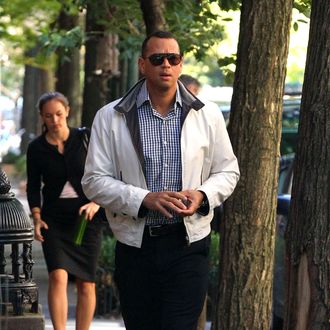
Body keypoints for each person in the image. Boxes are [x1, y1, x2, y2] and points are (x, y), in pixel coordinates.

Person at [82, 31, 240, 330]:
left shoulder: (208, 115)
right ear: (143, 65)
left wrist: (203, 195)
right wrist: (143, 199)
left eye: (173, 58)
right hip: (135, 247)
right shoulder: (110, 116)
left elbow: (228, 171)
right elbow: (93, 180)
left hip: (189, 246)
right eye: (157, 59)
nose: (165, 65)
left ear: (180, 65)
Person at [26, 92, 102, 330]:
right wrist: (36, 218)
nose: (55, 120)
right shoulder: (36, 148)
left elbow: (105, 174)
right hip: (54, 220)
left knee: (86, 283)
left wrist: (96, 202)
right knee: (58, 277)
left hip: (87, 219)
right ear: (42, 117)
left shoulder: (85, 139)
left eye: (59, 114)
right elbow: (33, 186)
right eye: (49, 116)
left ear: (67, 111)